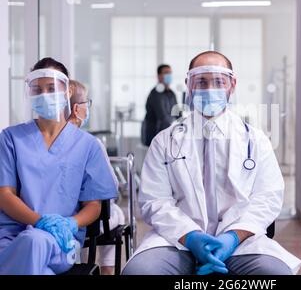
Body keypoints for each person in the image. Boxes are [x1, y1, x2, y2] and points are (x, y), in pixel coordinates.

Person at [122, 51, 301, 275]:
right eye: (201, 82)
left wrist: (233, 237)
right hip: (177, 241)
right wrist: (192, 237)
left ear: (232, 85)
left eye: (218, 81)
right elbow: (154, 201)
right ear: (189, 85)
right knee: (140, 273)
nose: (209, 89)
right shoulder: (165, 141)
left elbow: (268, 197)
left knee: (274, 274)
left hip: (239, 242)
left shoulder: (255, 140)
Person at [0, 58, 117, 275]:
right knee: (34, 246)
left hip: (61, 242)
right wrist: (39, 221)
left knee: (36, 241)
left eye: (51, 88)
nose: (44, 94)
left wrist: (70, 224)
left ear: (67, 90)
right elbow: (5, 195)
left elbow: (94, 206)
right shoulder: (10, 138)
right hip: (12, 240)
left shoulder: (87, 145)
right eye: (37, 89)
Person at [67, 79, 125, 275]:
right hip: (86, 222)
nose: (88, 107)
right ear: (76, 109)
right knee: (115, 212)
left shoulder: (45, 143)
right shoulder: (91, 144)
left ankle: (81, 261)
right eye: (86, 103)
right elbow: (111, 186)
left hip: (61, 218)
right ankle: (108, 270)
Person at [141, 64, 179, 146]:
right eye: (166, 73)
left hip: (167, 134)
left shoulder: (171, 93)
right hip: (155, 136)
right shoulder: (156, 94)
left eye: (170, 73)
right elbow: (163, 117)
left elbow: (178, 113)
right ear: (159, 76)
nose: (169, 75)